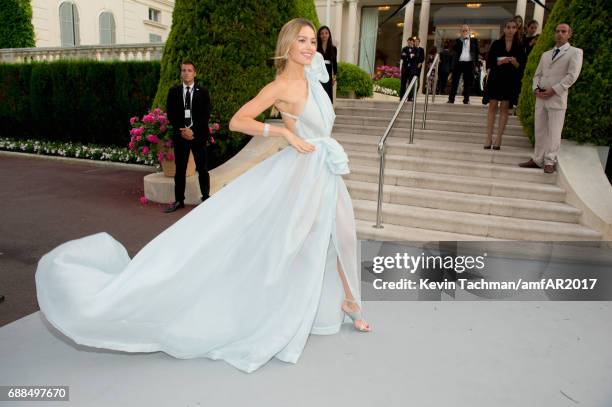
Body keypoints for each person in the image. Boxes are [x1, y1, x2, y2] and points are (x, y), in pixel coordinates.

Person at [34, 18, 370, 376]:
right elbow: (239, 121)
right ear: (287, 45)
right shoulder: (279, 87)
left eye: (311, 41)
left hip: (324, 169)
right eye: (301, 40)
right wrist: (283, 134)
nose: (309, 47)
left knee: (342, 235)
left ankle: (349, 300)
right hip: (302, 172)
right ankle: (261, 308)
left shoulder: (313, 79)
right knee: (297, 242)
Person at [519, 23, 583, 173]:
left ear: (569, 34)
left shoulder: (575, 52)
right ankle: (537, 159)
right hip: (541, 97)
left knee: (554, 131)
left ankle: (550, 161)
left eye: (563, 31)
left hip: (557, 98)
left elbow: (572, 76)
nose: (560, 33)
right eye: (557, 31)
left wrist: (554, 90)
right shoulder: (546, 54)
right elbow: (537, 75)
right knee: (540, 130)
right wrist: (536, 89)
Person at [164, 60, 211, 213]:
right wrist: (182, 130)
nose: (186, 73)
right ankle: (179, 200)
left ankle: (205, 197)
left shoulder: (203, 92)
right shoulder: (174, 91)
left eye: (189, 70)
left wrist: (193, 131)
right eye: (183, 70)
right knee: (180, 170)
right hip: (180, 136)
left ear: (194, 73)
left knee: (202, 168)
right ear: (181, 73)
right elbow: (171, 114)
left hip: (198, 136)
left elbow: (205, 115)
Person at [483, 20, 525, 150]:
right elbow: (489, 61)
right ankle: (488, 137)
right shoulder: (496, 44)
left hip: (510, 79)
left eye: (513, 27)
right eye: (508, 27)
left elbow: (522, 66)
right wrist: (501, 61)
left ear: (516, 30)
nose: (511, 30)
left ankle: (499, 138)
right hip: (496, 77)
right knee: (492, 106)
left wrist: (514, 62)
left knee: (504, 108)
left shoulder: (519, 45)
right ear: (504, 29)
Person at [448, 24, 479, 104]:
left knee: (467, 83)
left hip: (469, 64)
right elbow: (452, 50)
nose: (465, 32)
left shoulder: (474, 40)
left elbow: (476, 53)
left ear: (469, 31)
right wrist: (461, 40)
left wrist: (476, 65)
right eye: (463, 30)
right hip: (458, 63)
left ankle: (466, 100)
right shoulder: (457, 41)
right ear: (460, 32)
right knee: (455, 82)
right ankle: (451, 99)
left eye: (466, 30)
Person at [316, 25, 338, 103]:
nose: (324, 35)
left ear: (329, 35)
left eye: (326, 33)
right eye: (322, 33)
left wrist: (334, 76)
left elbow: (335, 63)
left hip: (328, 72)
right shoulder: (315, 48)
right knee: (318, 93)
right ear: (319, 35)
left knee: (327, 94)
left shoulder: (333, 48)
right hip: (318, 72)